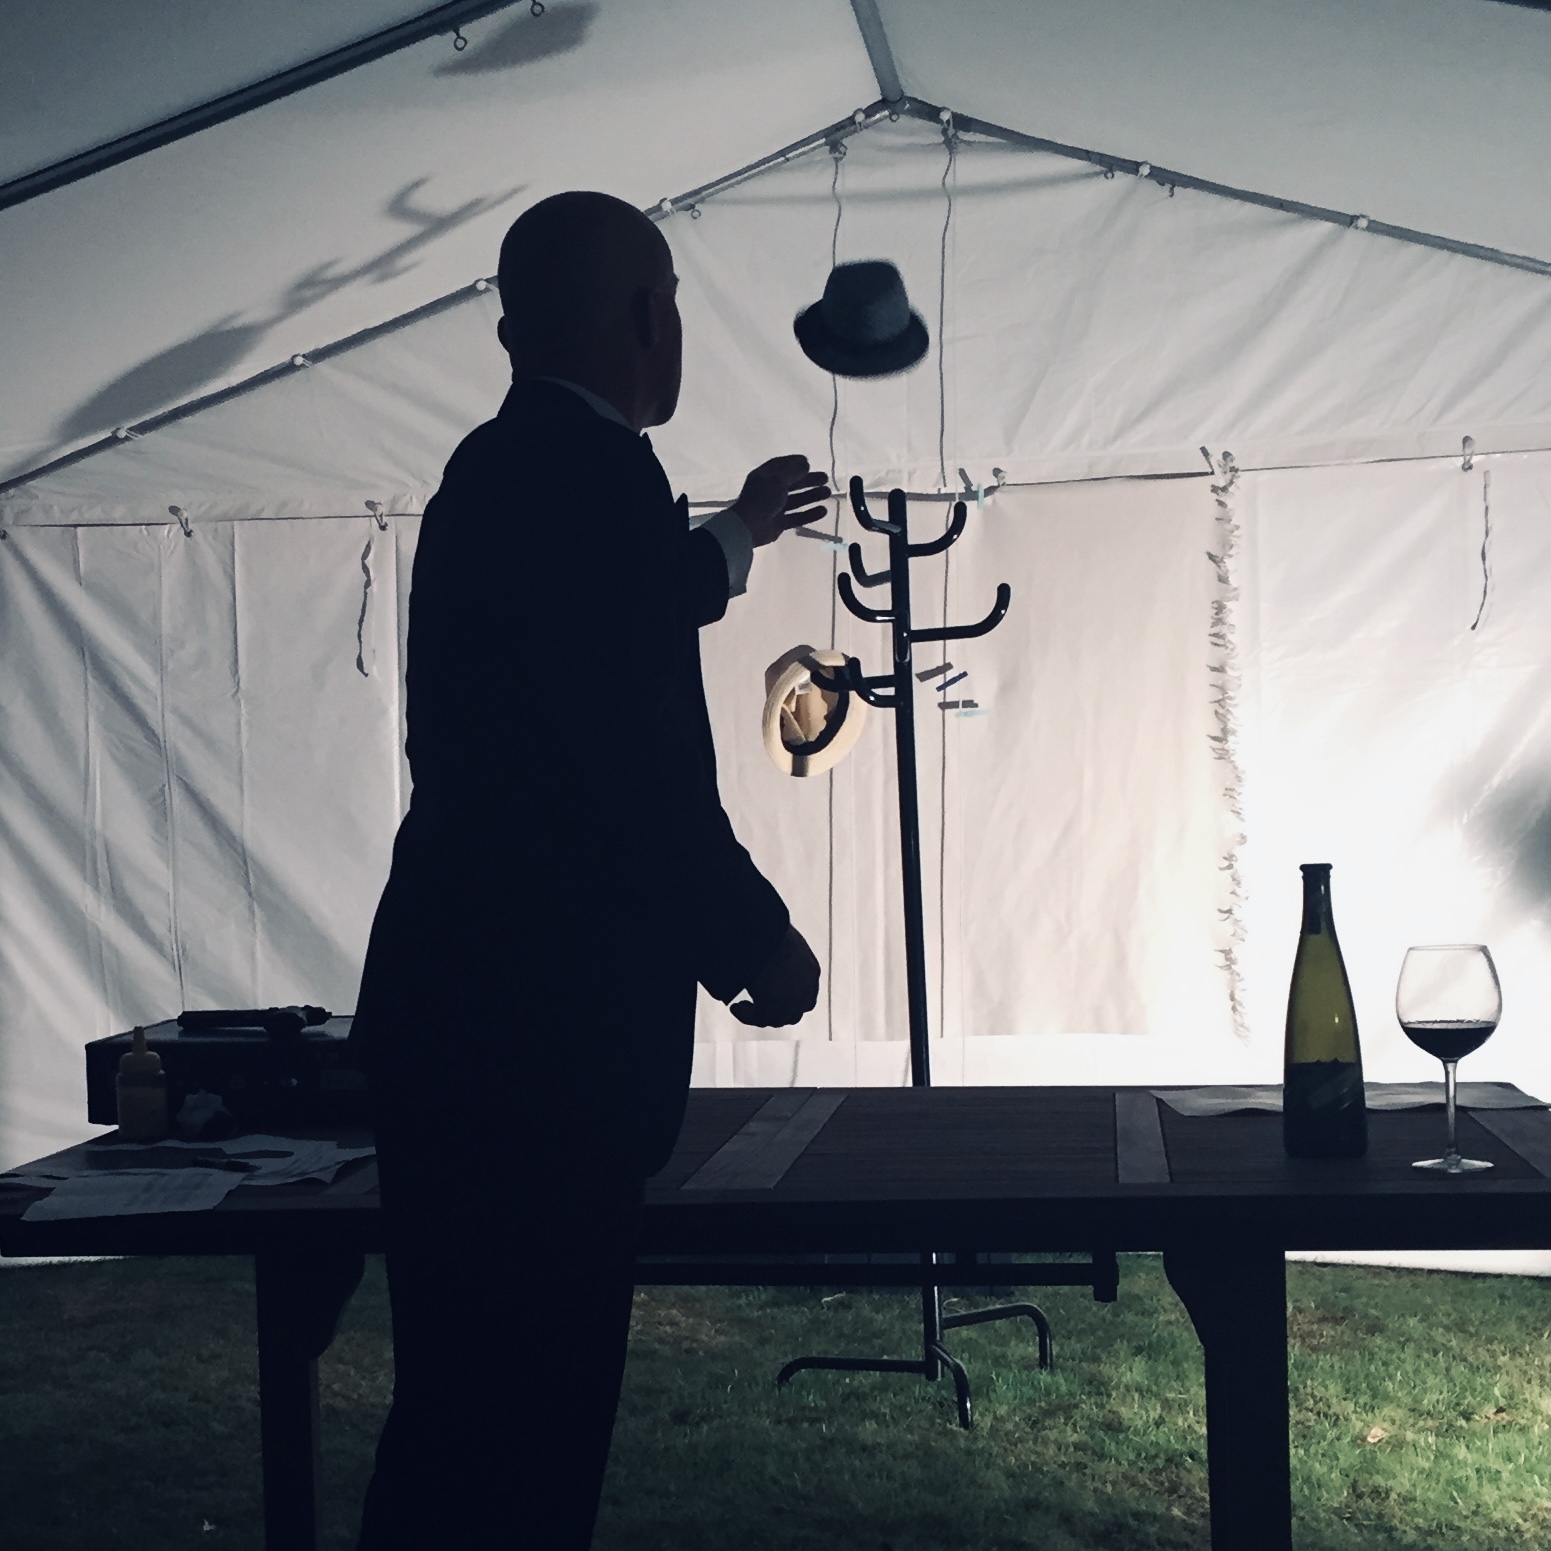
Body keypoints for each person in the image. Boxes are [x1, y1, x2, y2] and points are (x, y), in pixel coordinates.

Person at [351, 190, 824, 1550]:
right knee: (522, 1444)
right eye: (667, 298)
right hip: (542, 1054)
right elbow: (628, 769)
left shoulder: (506, 471)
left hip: (460, 1028)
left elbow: (629, 602)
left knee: (458, 1420)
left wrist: (740, 532)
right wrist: (753, 939)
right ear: (644, 315)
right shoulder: (591, 482)